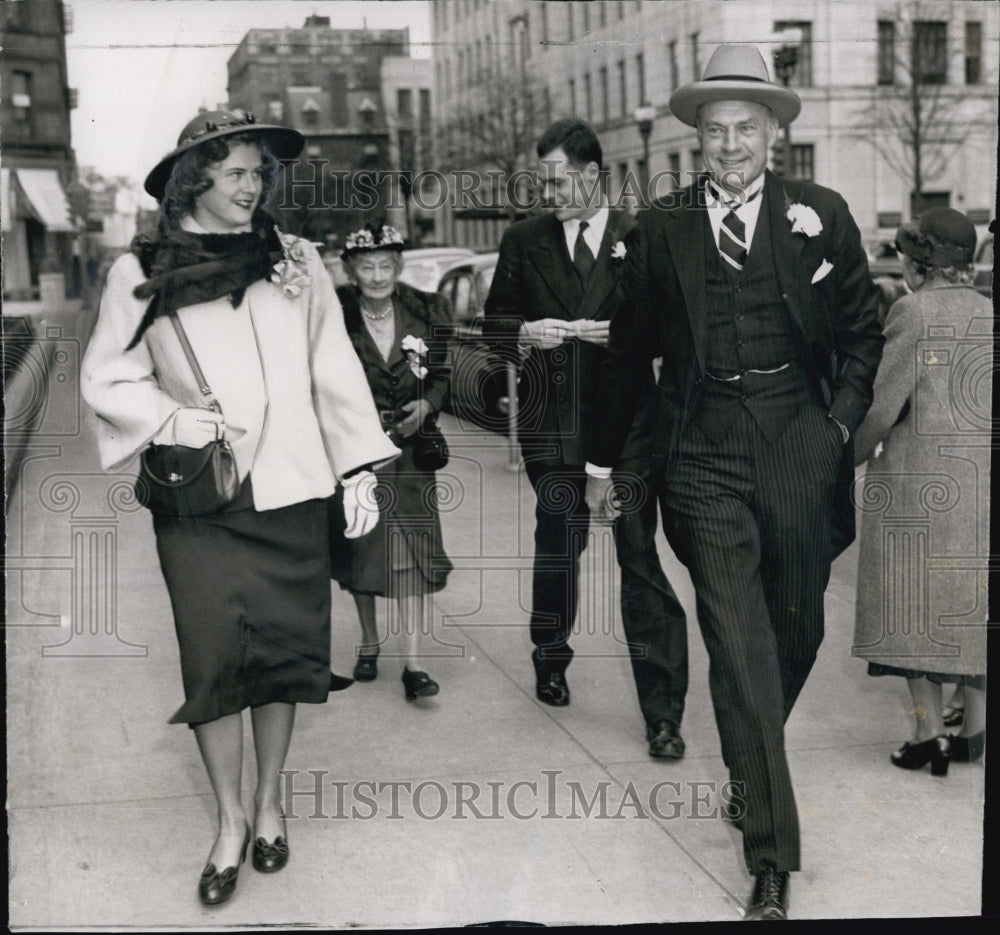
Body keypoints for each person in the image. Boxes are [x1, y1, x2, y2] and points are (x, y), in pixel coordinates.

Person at [585, 45, 883, 920]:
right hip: (700, 452)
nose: (729, 146)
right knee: (740, 646)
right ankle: (771, 856)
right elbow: (626, 350)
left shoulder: (821, 216)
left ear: (773, 136)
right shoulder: (661, 227)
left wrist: (835, 429)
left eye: (745, 130)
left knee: (795, 632)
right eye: (714, 133)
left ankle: (753, 765)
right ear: (696, 142)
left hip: (799, 440)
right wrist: (604, 464)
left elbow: (863, 335)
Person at [80, 109, 399, 906]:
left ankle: (268, 804)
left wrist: (359, 467)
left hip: (291, 490)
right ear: (194, 179)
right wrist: (171, 417)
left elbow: (332, 365)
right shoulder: (141, 269)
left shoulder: (294, 260)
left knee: (286, 656)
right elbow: (106, 376)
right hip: (203, 497)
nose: (252, 186)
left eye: (259, 173)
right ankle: (226, 818)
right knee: (217, 658)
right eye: (234, 174)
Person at [483, 119, 689, 759]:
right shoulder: (523, 240)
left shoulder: (643, 234)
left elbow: (678, 333)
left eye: (557, 179)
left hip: (628, 429)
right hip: (554, 429)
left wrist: (627, 339)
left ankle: (662, 713)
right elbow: (492, 325)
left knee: (638, 558)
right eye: (542, 181)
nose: (548, 192)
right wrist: (524, 334)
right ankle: (550, 654)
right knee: (557, 550)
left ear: (593, 174)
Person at [852, 208, 989, 772]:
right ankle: (975, 733)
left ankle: (926, 733)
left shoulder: (913, 311)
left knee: (910, 612)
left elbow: (883, 407)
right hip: (977, 488)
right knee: (968, 614)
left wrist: (848, 456)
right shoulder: (989, 312)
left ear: (917, 263)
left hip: (917, 488)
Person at [329, 222, 454, 701]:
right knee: (361, 548)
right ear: (351, 270)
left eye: (385, 265)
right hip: (358, 452)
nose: (377, 275)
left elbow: (442, 371)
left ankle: (415, 663)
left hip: (411, 451)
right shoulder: (336, 317)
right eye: (367, 267)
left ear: (398, 267)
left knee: (413, 553)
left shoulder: (425, 311)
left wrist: (427, 404)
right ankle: (368, 641)